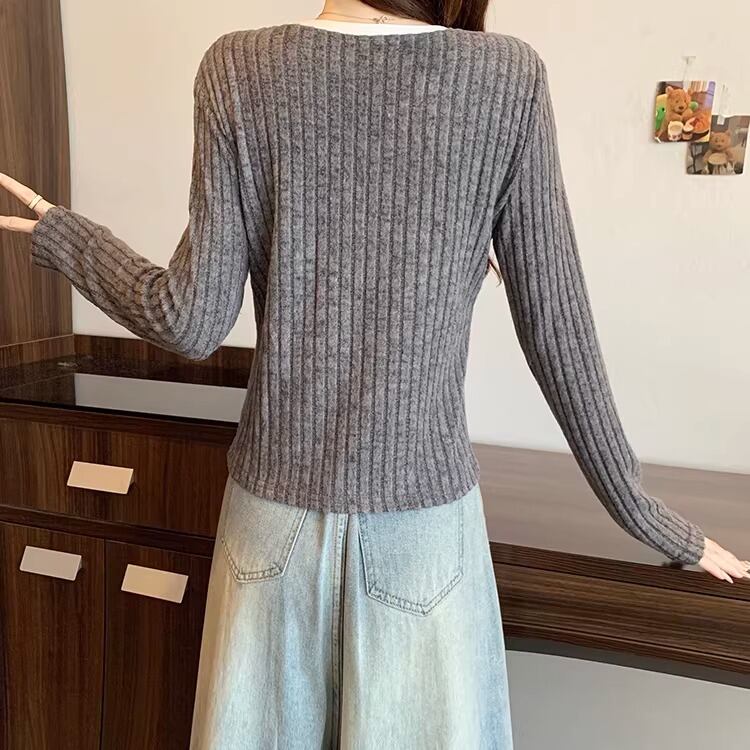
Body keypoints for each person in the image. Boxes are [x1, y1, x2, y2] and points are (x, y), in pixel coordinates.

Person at [1, 2, 748, 747]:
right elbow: (557, 329)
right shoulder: (504, 78)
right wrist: (646, 515)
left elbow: (188, 320)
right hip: (421, 530)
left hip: (272, 523)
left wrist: (68, 237)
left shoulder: (238, 67)